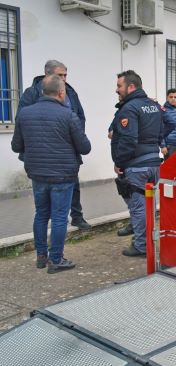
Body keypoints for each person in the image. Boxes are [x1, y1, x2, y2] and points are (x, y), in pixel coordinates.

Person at [12, 75, 91, 273]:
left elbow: (16, 146)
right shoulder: (68, 115)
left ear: (41, 91)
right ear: (61, 93)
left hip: (37, 174)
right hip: (63, 175)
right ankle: (55, 260)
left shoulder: (24, 114)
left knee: (41, 215)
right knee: (58, 217)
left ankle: (41, 257)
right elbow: (85, 147)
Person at [17, 59, 91, 230]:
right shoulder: (31, 93)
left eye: (65, 75)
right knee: (46, 206)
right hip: (41, 154)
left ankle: (77, 216)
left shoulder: (70, 91)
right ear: (47, 75)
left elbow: (79, 116)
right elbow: (22, 121)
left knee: (74, 185)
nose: (64, 78)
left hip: (67, 151)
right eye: (60, 75)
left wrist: (77, 138)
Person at [111, 70, 163, 257]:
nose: (117, 90)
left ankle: (142, 246)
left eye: (119, 86)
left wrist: (119, 162)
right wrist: (154, 142)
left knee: (138, 206)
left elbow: (129, 139)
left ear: (131, 87)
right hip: (153, 164)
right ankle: (143, 238)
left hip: (137, 165)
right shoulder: (154, 105)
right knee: (144, 205)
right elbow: (167, 126)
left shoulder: (129, 108)